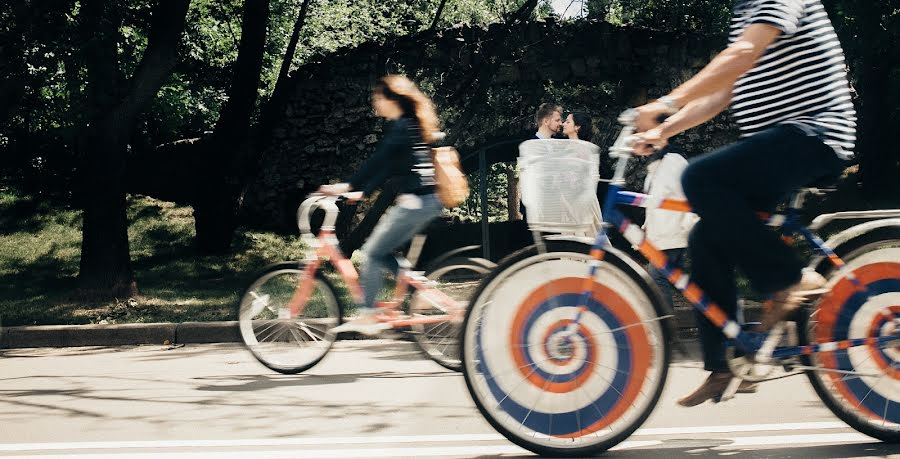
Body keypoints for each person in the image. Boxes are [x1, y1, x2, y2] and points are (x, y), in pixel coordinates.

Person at [633, 0, 855, 406]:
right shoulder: (745, 12)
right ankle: (726, 365)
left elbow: (742, 54)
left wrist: (664, 104)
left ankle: (791, 278)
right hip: (781, 143)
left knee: (700, 178)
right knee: (705, 237)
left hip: (814, 135)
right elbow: (722, 94)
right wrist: (666, 129)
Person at [321, 75, 444, 335]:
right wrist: (361, 191)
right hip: (425, 200)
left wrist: (348, 186)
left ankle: (368, 314)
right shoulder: (410, 124)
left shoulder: (401, 127)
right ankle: (420, 289)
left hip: (417, 202)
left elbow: (378, 161)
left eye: (378, 97)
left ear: (392, 99)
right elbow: (388, 166)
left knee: (372, 252)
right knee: (383, 251)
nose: (375, 102)